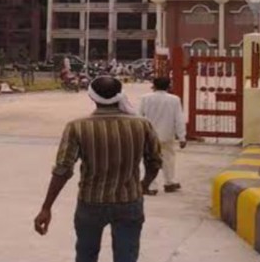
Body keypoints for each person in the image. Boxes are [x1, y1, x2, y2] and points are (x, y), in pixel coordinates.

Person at [34, 76, 163, 262]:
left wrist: (46, 207)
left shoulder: (77, 127)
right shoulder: (142, 124)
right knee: (127, 256)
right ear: (120, 95)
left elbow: (63, 170)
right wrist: (143, 185)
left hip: (91, 202)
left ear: (91, 96)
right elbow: (155, 162)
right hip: (129, 201)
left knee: (86, 254)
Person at [139, 77, 187, 194]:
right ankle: (169, 182)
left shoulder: (145, 98)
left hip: (149, 135)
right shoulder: (174, 99)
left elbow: (139, 116)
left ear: (153, 86)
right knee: (168, 158)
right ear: (169, 86)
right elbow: (179, 119)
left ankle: (151, 186)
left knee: (149, 160)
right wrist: (182, 137)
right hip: (167, 134)